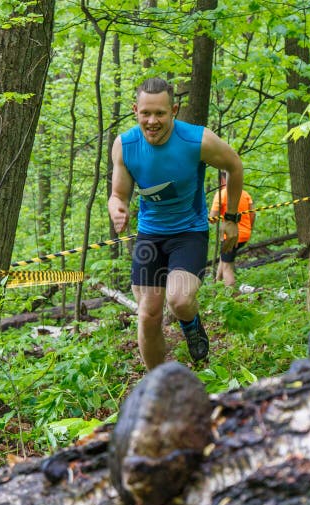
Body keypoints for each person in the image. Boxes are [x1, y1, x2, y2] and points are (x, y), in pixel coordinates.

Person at [108, 77, 244, 369]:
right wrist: (117, 208)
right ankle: (156, 384)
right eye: (146, 113)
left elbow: (234, 165)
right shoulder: (125, 145)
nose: (152, 121)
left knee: (179, 301)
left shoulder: (197, 140)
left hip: (189, 233)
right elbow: (117, 195)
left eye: (160, 113)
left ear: (175, 110)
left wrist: (231, 219)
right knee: (148, 314)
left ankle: (191, 323)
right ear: (135, 110)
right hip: (150, 237)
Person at [211, 170, 255, 288]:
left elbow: (213, 218)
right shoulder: (244, 193)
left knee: (227, 266)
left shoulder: (221, 194)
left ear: (222, 180)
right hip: (244, 234)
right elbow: (252, 214)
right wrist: (249, 228)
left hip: (230, 236)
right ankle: (216, 284)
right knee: (224, 257)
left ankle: (232, 294)